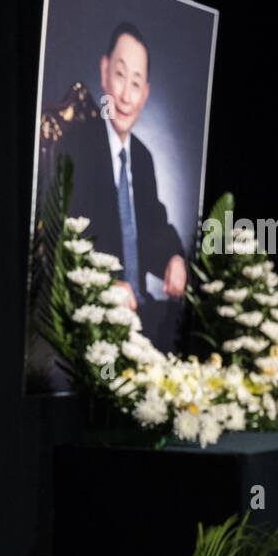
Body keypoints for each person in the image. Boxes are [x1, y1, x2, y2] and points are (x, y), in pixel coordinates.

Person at [54, 21, 186, 351]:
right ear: (104, 71)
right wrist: (106, 287)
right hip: (96, 319)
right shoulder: (75, 149)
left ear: (146, 94)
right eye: (120, 75)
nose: (126, 95)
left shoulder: (142, 158)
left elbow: (156, 227)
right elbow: (60, 243)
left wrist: (174, 259)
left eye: (136, 82)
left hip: (140, 316)